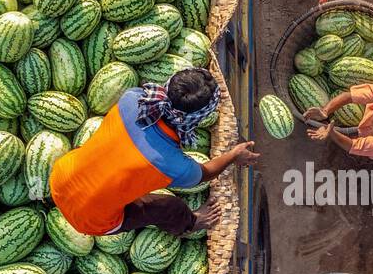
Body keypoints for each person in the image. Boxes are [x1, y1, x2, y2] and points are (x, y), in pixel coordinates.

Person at [49, 66, 259, 236]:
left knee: (100, 153)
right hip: (91, 221)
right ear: (198, 118)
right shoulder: (176, 166)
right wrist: (233, 155)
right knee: (169, 206)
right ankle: (191, 223)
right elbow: (206, 174)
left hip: (59, 178)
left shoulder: (132, 98)